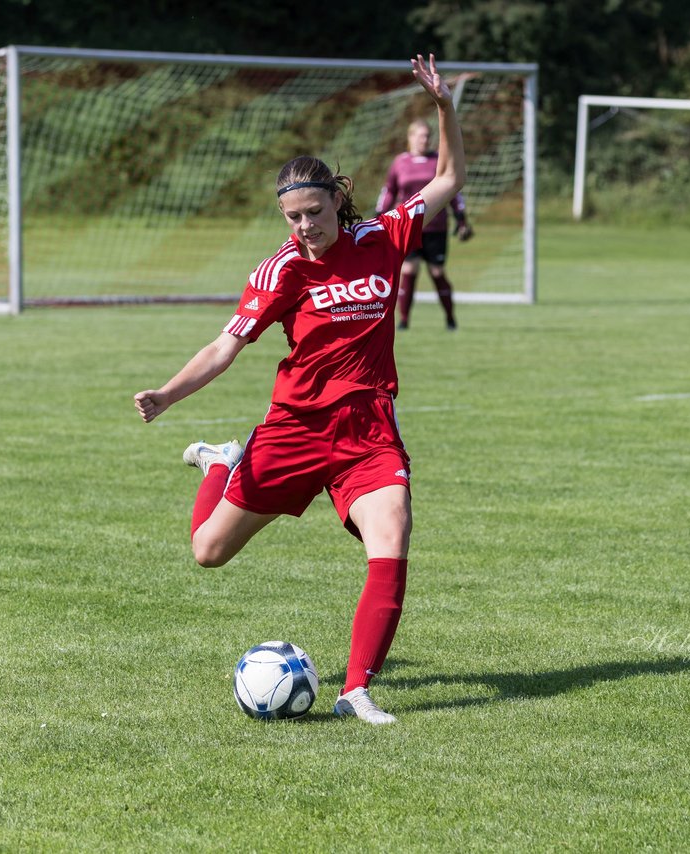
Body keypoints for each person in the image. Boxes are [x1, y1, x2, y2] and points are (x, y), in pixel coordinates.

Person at [132, 54, 466, 726]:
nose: (304, 227)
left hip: (367, 430)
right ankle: (223, 461)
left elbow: (452, 177)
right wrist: (167, 395)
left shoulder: (383, 236)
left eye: (313, 213)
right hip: (293, 431)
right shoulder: (282, 270)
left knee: (392, 531)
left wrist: (444, 107)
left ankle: (356, 691)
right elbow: (226, 345)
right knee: (208, 553)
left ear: (336, 202)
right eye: (292, 218)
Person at [375, 117, 474, 330]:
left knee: (437, 272)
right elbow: (389, 191)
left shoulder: (438, 159)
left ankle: (450, 318)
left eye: (428, 136)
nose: (424, 140)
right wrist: (379, 216)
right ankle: (403, 320)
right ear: (410, 138)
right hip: (408, 226)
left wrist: (461, 217)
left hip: (436, 227)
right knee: (408, 271)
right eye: (420, 136)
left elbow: (453, 189)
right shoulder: (399, 162)